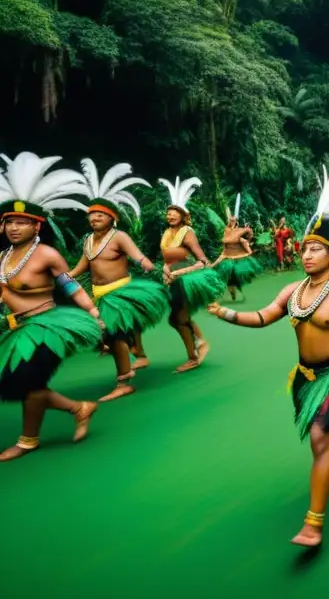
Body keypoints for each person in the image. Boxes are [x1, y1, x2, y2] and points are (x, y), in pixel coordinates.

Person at [208, 162, 329, 547]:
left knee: (320, 437)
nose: (306, 254)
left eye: (315, 249)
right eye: (304, 248)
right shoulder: (292, 291)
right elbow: (263, 317)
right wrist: (225, 313)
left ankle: (314, 524)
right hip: (306, 377)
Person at [0, 152, 105, 461]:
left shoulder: (46, 254)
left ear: (37, 226)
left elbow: (71, 287)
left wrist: (94, 314)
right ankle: (79, 408)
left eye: (22, 223)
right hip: (15, 329)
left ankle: (28, 441)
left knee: (30, 384)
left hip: (48, 327)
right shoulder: (3, 258)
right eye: (9, 223)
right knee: (15, 384)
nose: (14, 228)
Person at [68, 159, 168, 402]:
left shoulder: (119, 237)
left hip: (121, 294)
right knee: (108, 336)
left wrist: (154, 270)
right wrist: (61, 277)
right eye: (91, 215)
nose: (94, 219)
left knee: (114, 335)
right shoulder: (88, 241)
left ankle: (124, 381)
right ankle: (132, 356)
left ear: (112, 218)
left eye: (100, 215)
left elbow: (138, 258)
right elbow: (82, 266)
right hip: (98, 295)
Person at [158, 175, 226, 373]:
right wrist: (166, 269)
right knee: (176, 318)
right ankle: (200, 342)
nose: (170, 216)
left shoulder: (187, 232)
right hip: (172, 280)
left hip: (186, 280)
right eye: (168, 213)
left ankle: (193, 355)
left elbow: (202, 262)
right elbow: (168, 257)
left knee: (178, 318)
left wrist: (178, 272)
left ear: (182, 215)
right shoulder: (166, 232)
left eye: (174, 213)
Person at [211, 194, 261, 302]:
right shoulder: (227, 231)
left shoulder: (240, 235)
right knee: (229, 281)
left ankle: (237, 289)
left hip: (238, 262)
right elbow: (224, 252)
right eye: (230, 220)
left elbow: (249, 249)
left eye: (233, 221)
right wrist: (213, 264)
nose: (231, 222)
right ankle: (232, 292)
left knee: (234, 279)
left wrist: (244, 255)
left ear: (236, 222)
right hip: (228, 261)